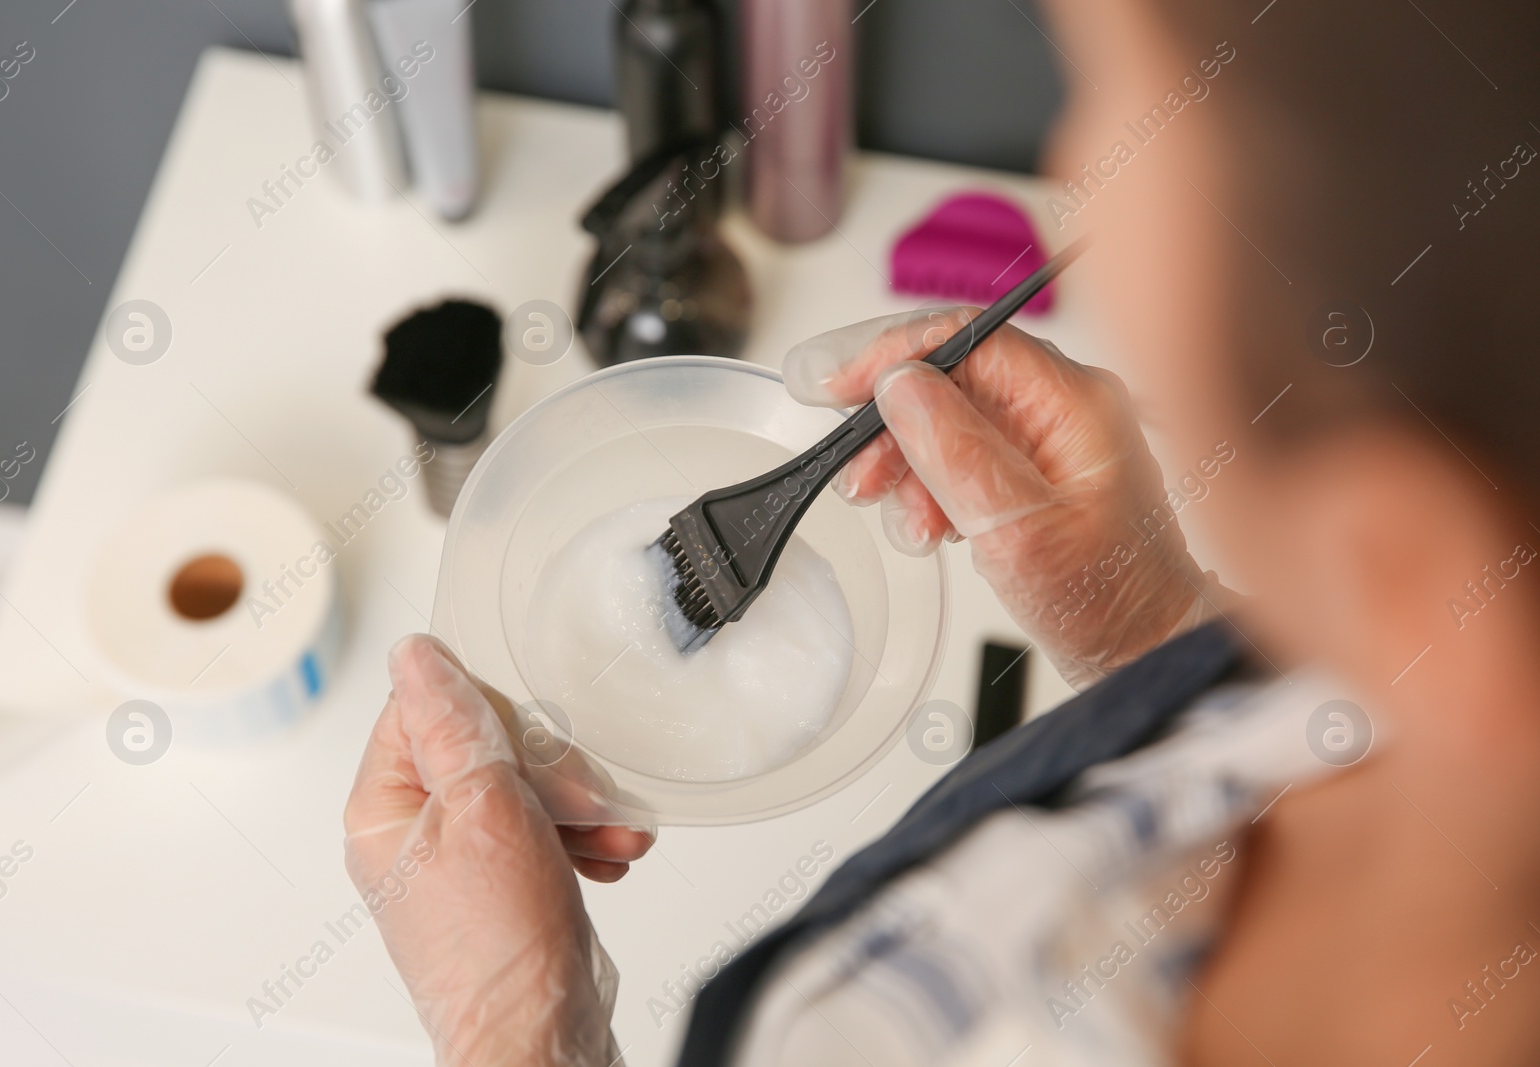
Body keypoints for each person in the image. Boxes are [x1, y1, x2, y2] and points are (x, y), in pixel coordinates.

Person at [342, 0, 1540, 1063]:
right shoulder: (1415, 703)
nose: (1076, 164)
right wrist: (1155, 634)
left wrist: (511, 1023)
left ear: (1399, 564)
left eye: (1138, 105)